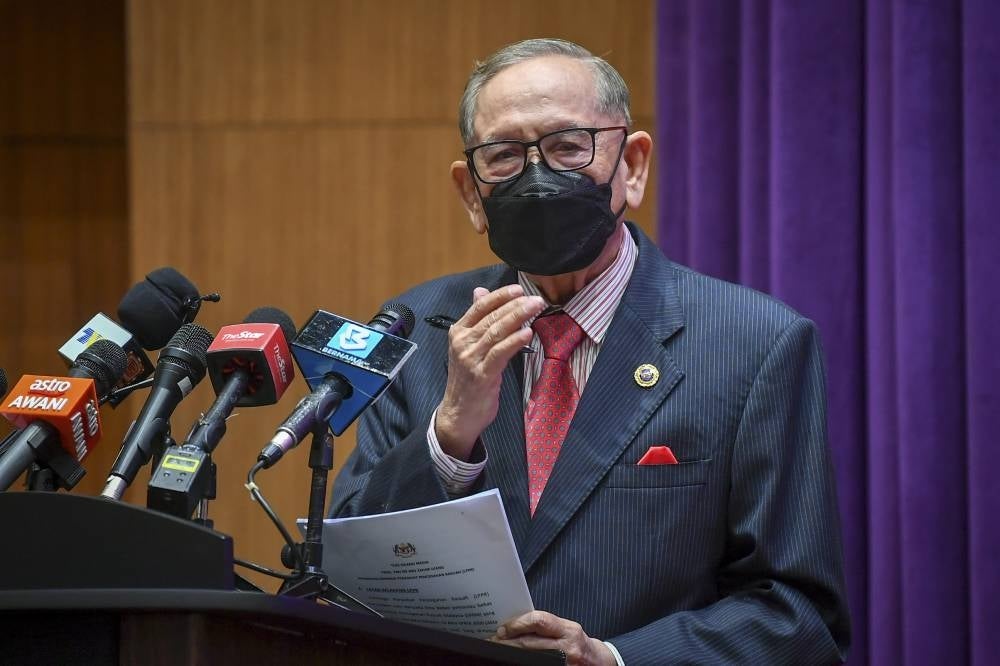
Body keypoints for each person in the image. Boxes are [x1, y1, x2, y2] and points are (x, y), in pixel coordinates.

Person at [330, 38, 850, 665]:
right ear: (472, 193)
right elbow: (349, 574)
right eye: (504, 156)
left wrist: (613, 659)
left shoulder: (757, 343)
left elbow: (795, 615)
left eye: (568, 147)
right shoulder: (419, 330)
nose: (537, 177)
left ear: (631, 166)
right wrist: (449, 434)